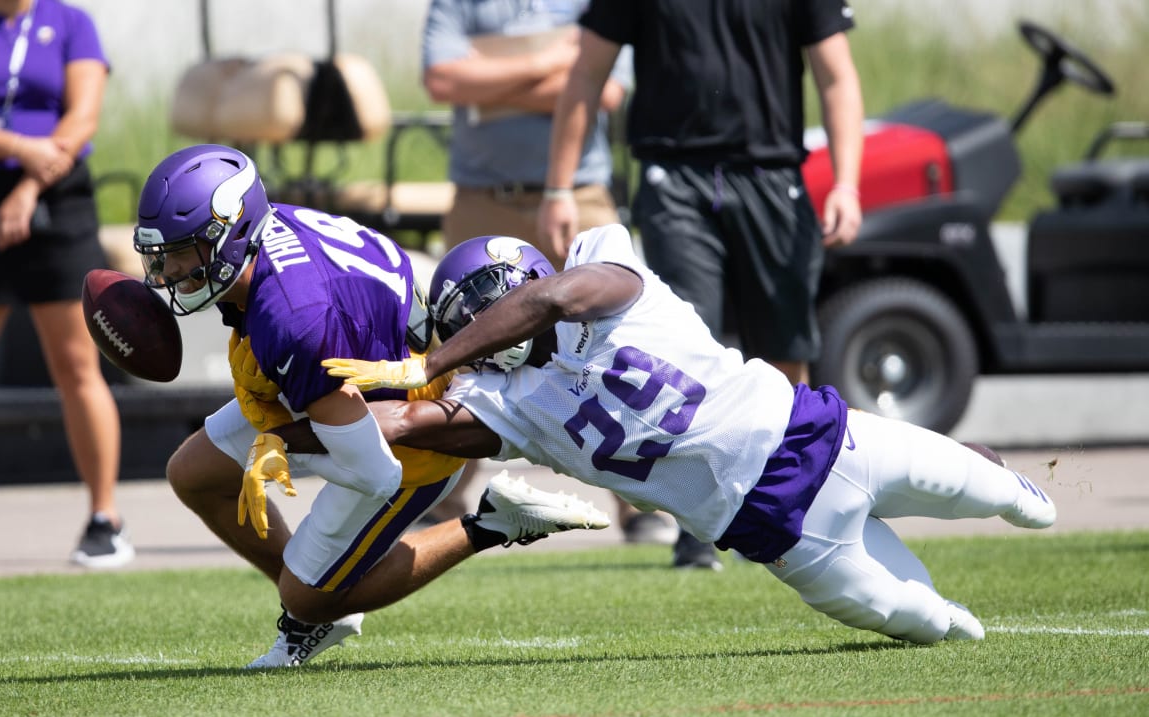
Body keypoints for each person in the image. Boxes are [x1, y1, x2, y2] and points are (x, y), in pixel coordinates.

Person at [318, 228, 1057, 644]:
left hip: (828, 440)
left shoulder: (606, 281)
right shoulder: (517, 408)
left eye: (475, 320)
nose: (473, 341)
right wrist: (293, 418)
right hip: (782, 535)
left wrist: (432, 361)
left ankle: (989, 469)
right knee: (936, 627)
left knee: (1020, 503)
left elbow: (551, 297)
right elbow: (404, 423)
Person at [132, 144, 609, 669]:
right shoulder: (267, 244)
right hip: (358, 375)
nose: (169, 270)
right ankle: (316, 607)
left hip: (408, 434)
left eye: (184, 251)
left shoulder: (293, 317)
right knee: (194, 475)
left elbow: (373, 471)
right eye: (162, 253)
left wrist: (277, 446)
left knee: (306, 596)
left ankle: (489, 523)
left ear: (235, 231)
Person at [537, 0, 865, 566]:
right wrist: (558, 187)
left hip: (772, 177)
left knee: (785, 355)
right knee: (689, 354)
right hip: (676, 180)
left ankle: (801, 508)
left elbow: (836, 76)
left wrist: (847, 184)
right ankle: (699, 526)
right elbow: (587, 72)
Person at [420, 0, 679, 553]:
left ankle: (639, 507)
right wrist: (556, 68)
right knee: (466, 348)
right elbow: (443, 80)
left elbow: (606, 90)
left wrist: (489, 84)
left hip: (577, 194)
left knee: (614, 341)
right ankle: (438, 497)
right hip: (483, 200)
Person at [0, 0, 130, 569]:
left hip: (57, 200)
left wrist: (28, 188)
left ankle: (105, 518)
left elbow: (82, 117)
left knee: (77, 366)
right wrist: (19, 151)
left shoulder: (71, 23)